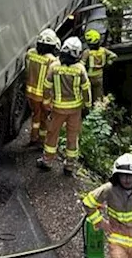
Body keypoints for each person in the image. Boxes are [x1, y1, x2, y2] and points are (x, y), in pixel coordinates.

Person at [38, 36, 93, 174]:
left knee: (52, 134)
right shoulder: (80, 69)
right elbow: (86, 89)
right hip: (75, 110)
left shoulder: (54, 67)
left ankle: (47, 161)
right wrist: (88, 105)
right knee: (72, 137)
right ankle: (69, 165)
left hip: (58, 109)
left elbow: (46, 87)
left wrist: (46, 102)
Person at [25, 29, 61, 145]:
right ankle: (42, 140)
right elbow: (53, 82)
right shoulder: (53, 61)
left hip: (31, 93)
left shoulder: (30, 54)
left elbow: (27, 70)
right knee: (44, 119)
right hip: (44, 96)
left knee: (35, 116)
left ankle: (33, 137)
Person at [84, 29, 118, 98]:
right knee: (98, 95)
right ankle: (98, 107)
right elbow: (114, 56)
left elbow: (82, 63)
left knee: (88, 94)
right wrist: (108, 63)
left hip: (89, 76)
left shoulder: (87, 52)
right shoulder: (103, 50)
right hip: (99, 76)